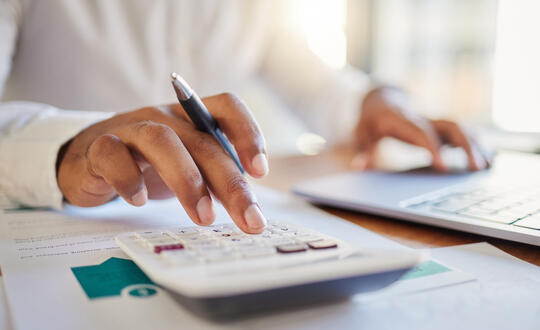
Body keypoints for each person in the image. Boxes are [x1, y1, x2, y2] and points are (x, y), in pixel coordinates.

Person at [0, 1, 489, 233]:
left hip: (213, 232)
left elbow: (317, 84)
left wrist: (374, 104)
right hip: (62, 228)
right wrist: (64, 150)